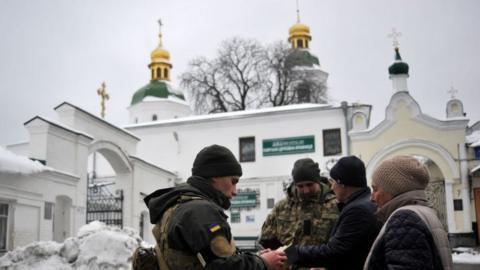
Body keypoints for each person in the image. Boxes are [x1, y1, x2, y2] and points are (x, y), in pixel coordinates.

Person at [143, 144, 286, 270]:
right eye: (233, 181)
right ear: (215, 176)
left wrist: (253, 259)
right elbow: (222, 266)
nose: (235, 191)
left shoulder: (178, 204)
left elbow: (208, 257)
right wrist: (263, 263)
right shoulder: (201, 211)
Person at [284, 156, 381, 270]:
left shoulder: (358, 210)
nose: (332, 187)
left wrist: (289, 253)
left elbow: (335, 252)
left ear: (342, 184)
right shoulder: (363, 203)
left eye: (333, 181)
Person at [364, 155, 453, 270]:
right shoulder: (423, 212)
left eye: (375, 189)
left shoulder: (404, 220)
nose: (372, 198)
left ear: (393, 189)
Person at [259, 158, 338, 251]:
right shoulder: (282, 207)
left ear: (318, 181)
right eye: (300, 186)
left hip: (323, 263)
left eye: (309, 185)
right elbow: (265, 241)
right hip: (289, 264)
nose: (306, 190)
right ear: (295, 184)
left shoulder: (336, 204)